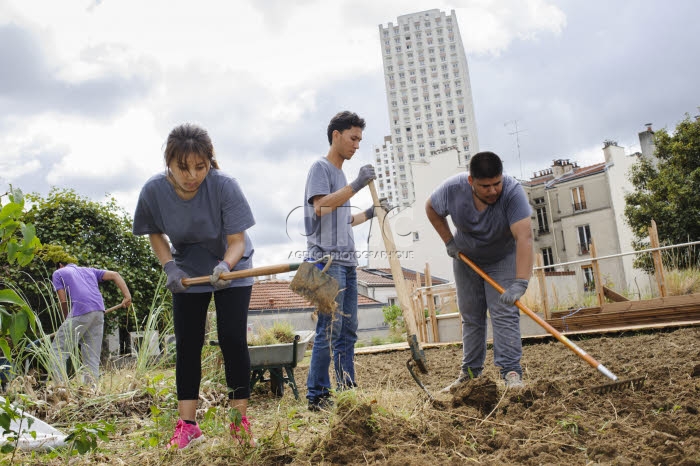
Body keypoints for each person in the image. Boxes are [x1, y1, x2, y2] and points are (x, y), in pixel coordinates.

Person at [133, 123, 256, 449]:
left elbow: (237, 242)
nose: (192, 175)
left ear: (209, 162)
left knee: (231, 338)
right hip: (188, 271)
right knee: (187, 343)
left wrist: (224, 266)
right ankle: (188, 425)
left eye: (200, 167)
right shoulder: (154, 191)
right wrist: (170, 266)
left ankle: (238, 424)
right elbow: (154, 233)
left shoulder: (224, 186)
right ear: (169, 164)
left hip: (231, 267)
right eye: (183, 167)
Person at [425, 151, 533, 390]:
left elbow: (524, 236)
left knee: (504, 312)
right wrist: (448, 242)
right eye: (486, 186)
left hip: (502, 258)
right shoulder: (452, 189)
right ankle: (470, 375)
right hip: (467, 259)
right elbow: (431, 208)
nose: (493, 190)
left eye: (497, 183)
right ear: (471, 181)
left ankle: (511, 372)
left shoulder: (513, 193)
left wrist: (521, 281)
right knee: (471, 317)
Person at [303, 110, 384, 411]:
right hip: (326, 260)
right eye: (353, 138)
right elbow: (321, 208)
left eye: (360, 139)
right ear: (336, 135)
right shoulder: (320, 168)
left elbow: (342, 218)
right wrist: (357, 185)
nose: (357, 145)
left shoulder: (339, 176)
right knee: (329, 328)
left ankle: (347, 391)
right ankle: (318, 396)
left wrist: (371, 214)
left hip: (348, 262)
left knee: (348, 330)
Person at [51, 262, 131, 384]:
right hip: (98, 312)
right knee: (92, 356)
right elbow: (115, 274)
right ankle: (91, 391)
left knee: (58, 351)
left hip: (80, 312)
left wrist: (66, 319)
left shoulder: (58, 272)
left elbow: (63, 301)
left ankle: (60, 390)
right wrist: (127, 296)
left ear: (60, 265)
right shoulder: (89, 270)